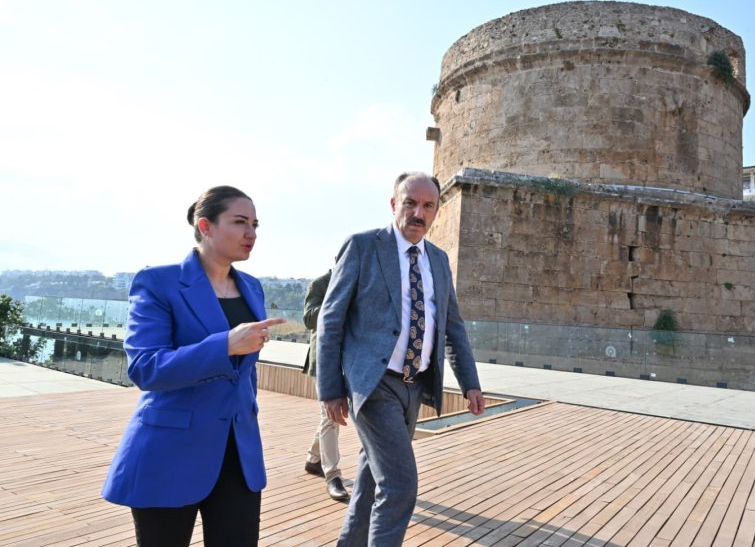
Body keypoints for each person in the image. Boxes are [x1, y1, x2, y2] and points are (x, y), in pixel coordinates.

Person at [101, 186, 286, 547]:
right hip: (170, 453)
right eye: (239, 222)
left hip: (238, 454)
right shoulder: (159, 283)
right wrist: (225, 344)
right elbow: (145, 367)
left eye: (255, 224)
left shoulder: (252, 287)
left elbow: (243, 373)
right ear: (206, 226)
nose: (251, 233)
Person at [317, 171, 486, 547]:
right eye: (409, 203)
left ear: (438, 211)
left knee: (371, 477)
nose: (417, 213)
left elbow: (452, 327)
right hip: (372, 384)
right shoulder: (363, 247)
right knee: (400, 485)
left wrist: (469, 383)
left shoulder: (439, 261)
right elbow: (330, 320)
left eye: (427, 205)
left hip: (414, 387)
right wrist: (330, 389)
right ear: (394, 204)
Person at [302, 268, 350, 501]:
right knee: (330, 416)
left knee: (327, 418)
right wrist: (336, 303)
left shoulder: (356, 285)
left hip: (349, 362)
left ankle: (313, 459)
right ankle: (333, 475)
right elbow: (309, 318)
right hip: (323, 362)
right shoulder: (320, 283)